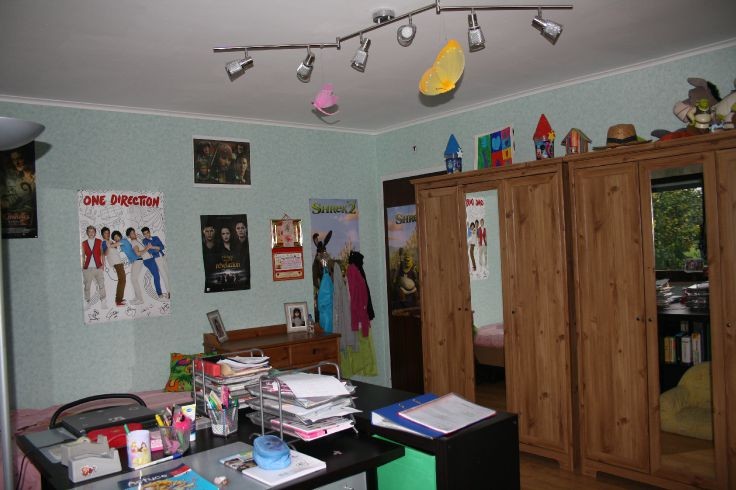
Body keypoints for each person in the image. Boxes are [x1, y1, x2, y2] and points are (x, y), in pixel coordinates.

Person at [81, 225, 108, 309]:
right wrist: (82, 267)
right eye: (89, 231)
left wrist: (103, 265)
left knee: (101, 285)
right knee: (87, 286)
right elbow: (82, 256)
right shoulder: (84, 243)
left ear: (95, 233)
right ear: (87, 233)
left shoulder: (99, 241)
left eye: (93, 231)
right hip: (87, 268)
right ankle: (87, 302)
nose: (91, 233)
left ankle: (103, 301)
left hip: (98, 267)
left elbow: (102, 254)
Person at [119, 228, 147, 305]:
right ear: (129, 236)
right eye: (132, 233)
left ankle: (140, 299)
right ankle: (137, 297)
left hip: (138, 260)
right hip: (136, 261)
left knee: (134, 279)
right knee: (133, 279)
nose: (134, 234)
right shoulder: (133, 241)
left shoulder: (134, 242)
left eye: (134, 232)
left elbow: (138, 253)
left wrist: (146, 248)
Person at [142, 226, 170, 299]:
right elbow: (150, 251)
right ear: (143, 235)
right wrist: (157, 247)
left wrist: (153, 247)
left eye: (147, 233)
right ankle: (169, 292)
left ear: (149, 232)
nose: (146, 235)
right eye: (144, 234)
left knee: (169, 274)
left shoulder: (156, 238)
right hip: (157, 259)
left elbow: (162, 247)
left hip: (163, 257)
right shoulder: (144, 241)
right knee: (164, 275)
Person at [102, 227, 127, 307]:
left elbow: (116, 247)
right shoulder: (104, 242)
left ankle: (119, 299)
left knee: (122, 280)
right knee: (122, 280)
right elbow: (105, 253)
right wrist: (109, 246)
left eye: (108, 232)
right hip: (116, 262)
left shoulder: (110, 241)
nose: (107, 234)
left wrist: (112, 244)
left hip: (118, 261)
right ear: (102, 234)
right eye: (105, 233)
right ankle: (118, 300)